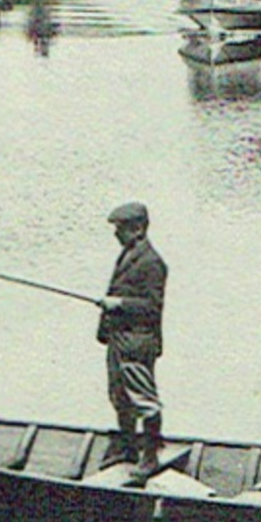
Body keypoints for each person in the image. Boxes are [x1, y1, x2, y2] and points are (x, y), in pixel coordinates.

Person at [95, 201, 168, 485]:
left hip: (138, 341)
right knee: (119, 396)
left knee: (143, 400)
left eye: (120, 229)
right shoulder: (128, 254)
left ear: (138, 229)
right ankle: (127, 446)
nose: (116, 234)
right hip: (118, 338)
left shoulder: (152, 263)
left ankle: (149, 458)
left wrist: (118, 303)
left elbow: (152, 307)